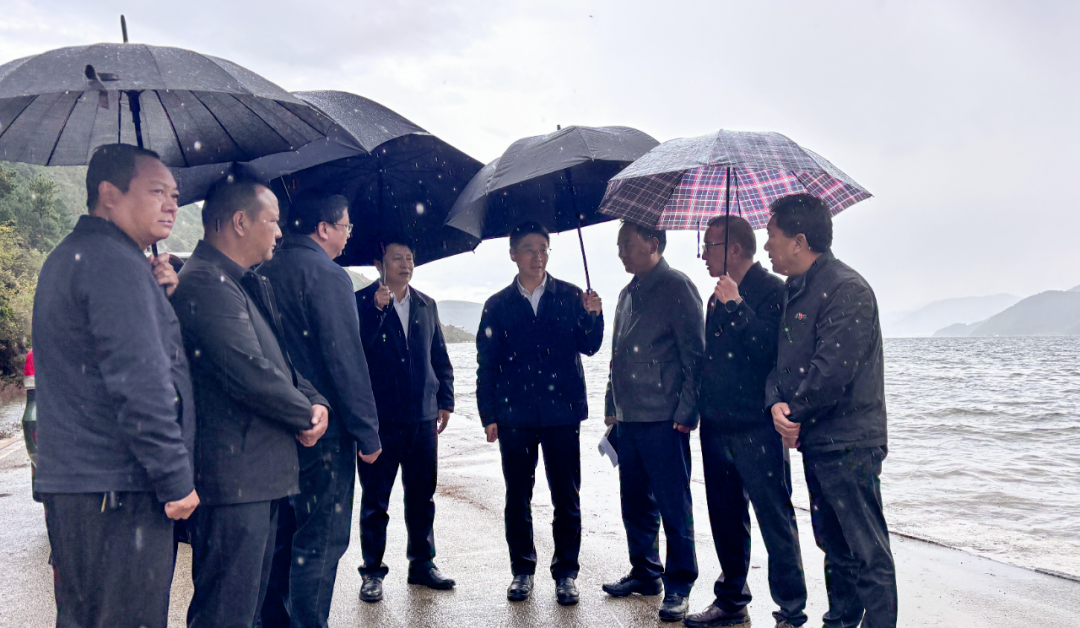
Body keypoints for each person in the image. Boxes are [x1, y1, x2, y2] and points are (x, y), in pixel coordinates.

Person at [32, 143, 198, 628]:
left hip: (84, 489)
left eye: (175, 195)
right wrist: (175, 477)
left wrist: (158, 297)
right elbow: (141, 383)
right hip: (117, 490)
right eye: (157, 192)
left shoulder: (77, 255)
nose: (171, 205)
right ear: (109, 194)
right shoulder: (113, 263)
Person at [171, 177, 330, 628]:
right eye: (273, 221)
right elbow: (249, 373)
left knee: (247, 610)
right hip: (234, 481)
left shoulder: (242, 282)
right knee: (225, 614)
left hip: (257, 478)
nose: (280, 232)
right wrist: (304, 414)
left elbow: (280, 362)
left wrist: (316, 400)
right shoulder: (205, 282)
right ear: (240, 222)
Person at [763, 193, 897, 628]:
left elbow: (832, 371)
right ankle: (839, 622)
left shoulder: (846, 289)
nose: (767, 245)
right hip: (817, 440)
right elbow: (779, 363)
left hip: (851, 442)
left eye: (772, 235)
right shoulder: (794, 291)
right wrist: (776, 403)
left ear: (799, 241)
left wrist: (794, 414)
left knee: (867, 549)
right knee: (834, 546)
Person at [257, 191, 382, 627]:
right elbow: (345, 358)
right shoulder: (328, 275)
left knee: (280, 537)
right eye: (345, 226)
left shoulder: (262, 270)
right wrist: (367, 431)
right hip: (325, 430)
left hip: (273, 426)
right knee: (321, 539)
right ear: (323, 228)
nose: (349, 235)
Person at [685, 215, 808, 628]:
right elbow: (711, 360)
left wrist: (737, 306)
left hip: (757, 425)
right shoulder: (715, 296)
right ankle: (732, 599)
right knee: (724, 517)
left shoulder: (774, 290)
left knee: (775, 517)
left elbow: (773, 353)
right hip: (716, 423)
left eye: (709, 246)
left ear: (734, 249)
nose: (703, 254)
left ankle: (791, 611)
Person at [476, 222, 604, 606]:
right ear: (513, 254)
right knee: (518, 496)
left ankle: (566, 573)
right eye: (530, 249)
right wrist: (489, 414)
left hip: (562, 412)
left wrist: (594, 315)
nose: (539, 256)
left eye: (544, 249)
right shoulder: (497, 305)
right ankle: (522, 570)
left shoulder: (571, 295)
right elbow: (487, 364)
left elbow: (590, 346)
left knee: (566, 496)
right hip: (514, 415)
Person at [603, 221, 704, 622]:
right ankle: (645, 572)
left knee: (674, 505)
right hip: (629, 418)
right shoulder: (626, 293)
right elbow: (616, 355)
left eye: (627, 244)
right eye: (619, 246)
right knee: (635, 502)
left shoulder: (677, 286)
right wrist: (612, 405)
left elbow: (696, 355)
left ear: (653, 243)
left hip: (665, 418)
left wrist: (687, 411)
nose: (621, 252)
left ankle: (679, 584)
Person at [352, 237, 456, 601]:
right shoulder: (360, 302)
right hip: (379, 419)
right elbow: (355, 352)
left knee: (422, 496)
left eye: (409, 258)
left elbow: (439, 356)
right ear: (379, 264)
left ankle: (422, 564)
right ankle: (372, 571)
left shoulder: (426, 304)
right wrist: (375, 311)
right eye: (397, 258)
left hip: (422, 417)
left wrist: (445, 399)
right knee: (375, 499)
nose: (405, 264)